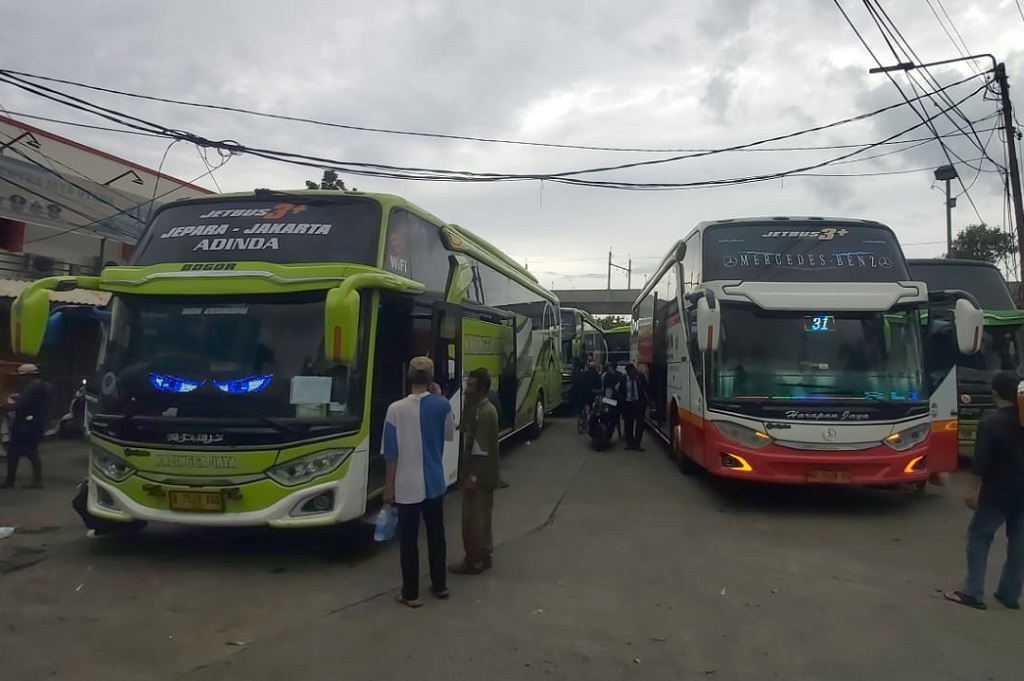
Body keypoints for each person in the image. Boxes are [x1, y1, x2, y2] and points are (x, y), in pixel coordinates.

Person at [945, 371, 1024, 610]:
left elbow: (980, 462)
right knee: (1019, 545)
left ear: (995, 394)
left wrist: (971, 491)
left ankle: (973, 592)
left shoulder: (991, 422)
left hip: (997, 493)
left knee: (979, 537)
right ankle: (1009, 595)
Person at [383, 357, 456, 608]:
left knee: (409, 541)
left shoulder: (395, 409)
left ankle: (411, 593)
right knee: (437, 536)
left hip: (406, 486)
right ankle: (440, 585)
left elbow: (391, 455)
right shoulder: (443, 406)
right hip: (435, 482)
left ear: (409, 377)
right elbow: (449, 435)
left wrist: (388, 489)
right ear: (432, 379)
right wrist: (439, 397)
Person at [451, 368, 501, 575]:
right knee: (481, 518)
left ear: (480, 389)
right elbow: (462, 427)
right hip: (479, 475)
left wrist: (472, 476)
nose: (466, 389)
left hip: (479, 476)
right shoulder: (475, 408)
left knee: (472, 521)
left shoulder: (486, 412)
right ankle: (484, 554)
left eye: (470, 386)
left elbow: (480, 448)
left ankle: (474, 560)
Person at [2, 364, 50, 489]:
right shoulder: (42, 385)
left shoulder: (31, 387)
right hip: (35, 422)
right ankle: (35, 480)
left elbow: (22, 405)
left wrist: (6, 407)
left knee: (18, 452)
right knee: (30, 452)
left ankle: (11, 480)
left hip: (24, 424)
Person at [618, 364, 649, 451]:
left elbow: (646, 389)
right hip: (628, 404)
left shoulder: (640, 378)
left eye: (634, 372)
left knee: (640, 425)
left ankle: (637, 444)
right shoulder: (623, 379)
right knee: (628, 424)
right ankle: (629, 443)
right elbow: (620, 392)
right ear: (628, 373)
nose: (633, 374)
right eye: (631, 373)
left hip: (639, 404)